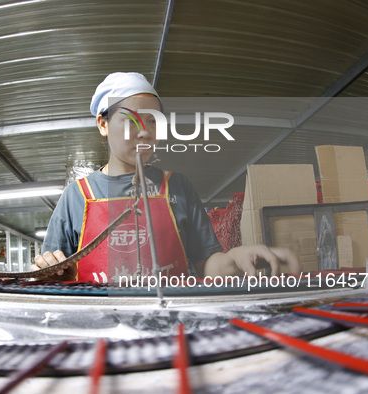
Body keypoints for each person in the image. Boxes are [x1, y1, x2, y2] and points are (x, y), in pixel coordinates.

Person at [32, 72, 300, 283]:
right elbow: (53, 269)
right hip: (103, 328)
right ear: (103, 124)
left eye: (153, 121)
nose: (146, 132)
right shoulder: (76, 197)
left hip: (172, 323)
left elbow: (207, 264)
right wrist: (48, 271)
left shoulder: (178, 186)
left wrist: (234, 259)